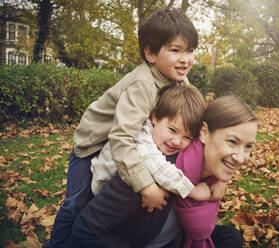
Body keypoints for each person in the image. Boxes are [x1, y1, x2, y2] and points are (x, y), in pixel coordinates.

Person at [45, 8, 199, 248]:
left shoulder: (179, 80)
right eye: (175, 50)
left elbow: (193, 108)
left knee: (95, 203)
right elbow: (121, 138)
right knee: (76, 201)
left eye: (189, 50)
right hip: (93, 143)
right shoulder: (142, 85)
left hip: (121, 142)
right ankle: (56, 245)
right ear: (150, 53)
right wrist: (146, 185)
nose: (185, 59)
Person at [65, 95, 258, 248]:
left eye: (248, 146)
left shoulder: (210, 176)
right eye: (232, 142)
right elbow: (85, 230)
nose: (241, 158)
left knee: (230, 238)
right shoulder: (151, 174)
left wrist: (220, 181)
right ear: (205, 133)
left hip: (170, 242)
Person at [91, 84, 217, 205]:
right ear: (155, 117)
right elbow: (158, 167)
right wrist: (191, 190)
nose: (177, 142)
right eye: (172, 130)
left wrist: (220, 180)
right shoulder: (141, 134)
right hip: (102, 185)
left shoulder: (161, 132)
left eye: (187, 137)